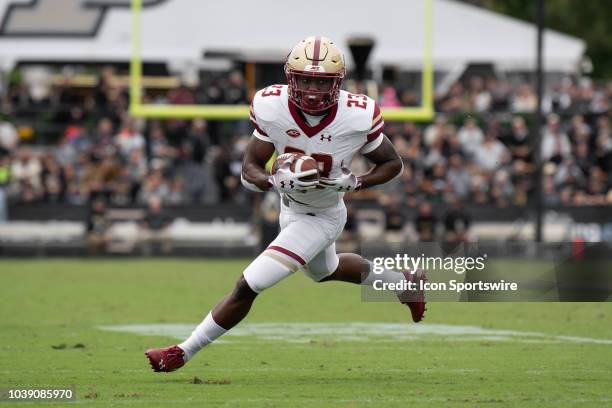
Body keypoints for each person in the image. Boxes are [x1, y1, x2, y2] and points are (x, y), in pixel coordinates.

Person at [145, 36, 427, 373]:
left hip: (323, 216)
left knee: (250, 283)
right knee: (326, 271)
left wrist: (356, 181)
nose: (311, 89)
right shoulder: (272, 106)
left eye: (320, 82)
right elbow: (249, 171)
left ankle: (182, 351)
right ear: (290, 78)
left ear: (337, 84)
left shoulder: (357, 114)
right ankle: (403, 283)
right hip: (290, 209)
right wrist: (273, 180)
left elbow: (393, 164)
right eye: (305, 79)